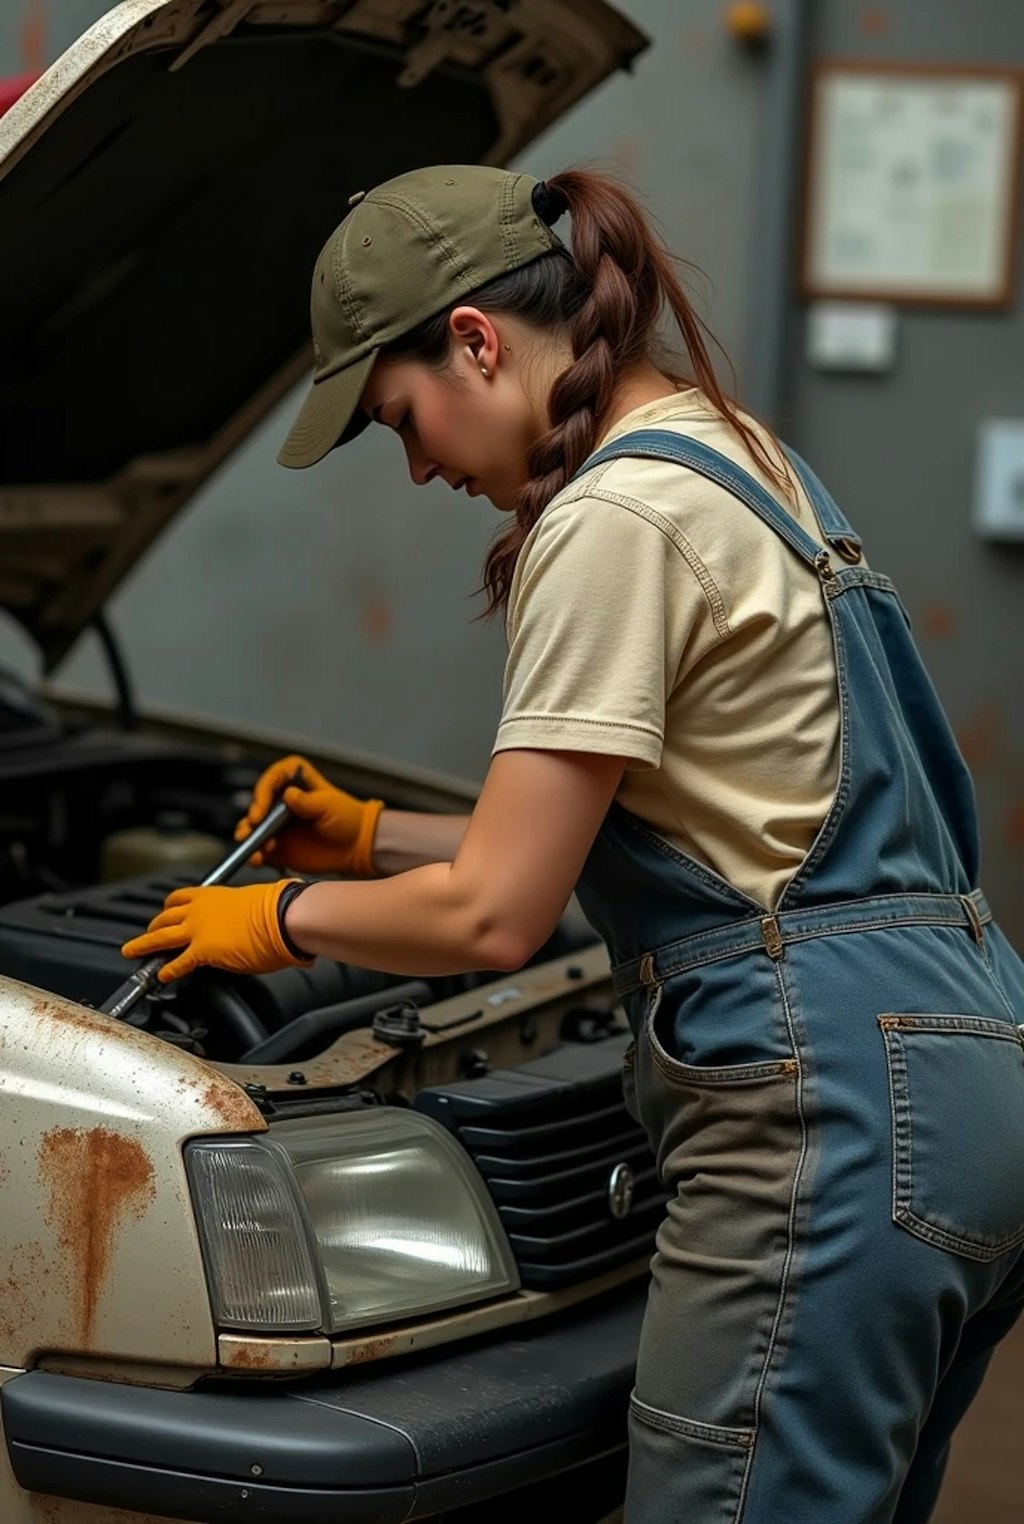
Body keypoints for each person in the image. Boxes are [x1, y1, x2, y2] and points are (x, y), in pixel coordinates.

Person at [122, 164, 1024, 1522]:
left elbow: (494, 913)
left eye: (402, 417)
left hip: (827, 1113)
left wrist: (279, 921)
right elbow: (681, 824)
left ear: (476, 342)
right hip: (961, 1069)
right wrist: (365, 838)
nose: (421, 463)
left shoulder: (610, 518)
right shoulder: (735, 449)